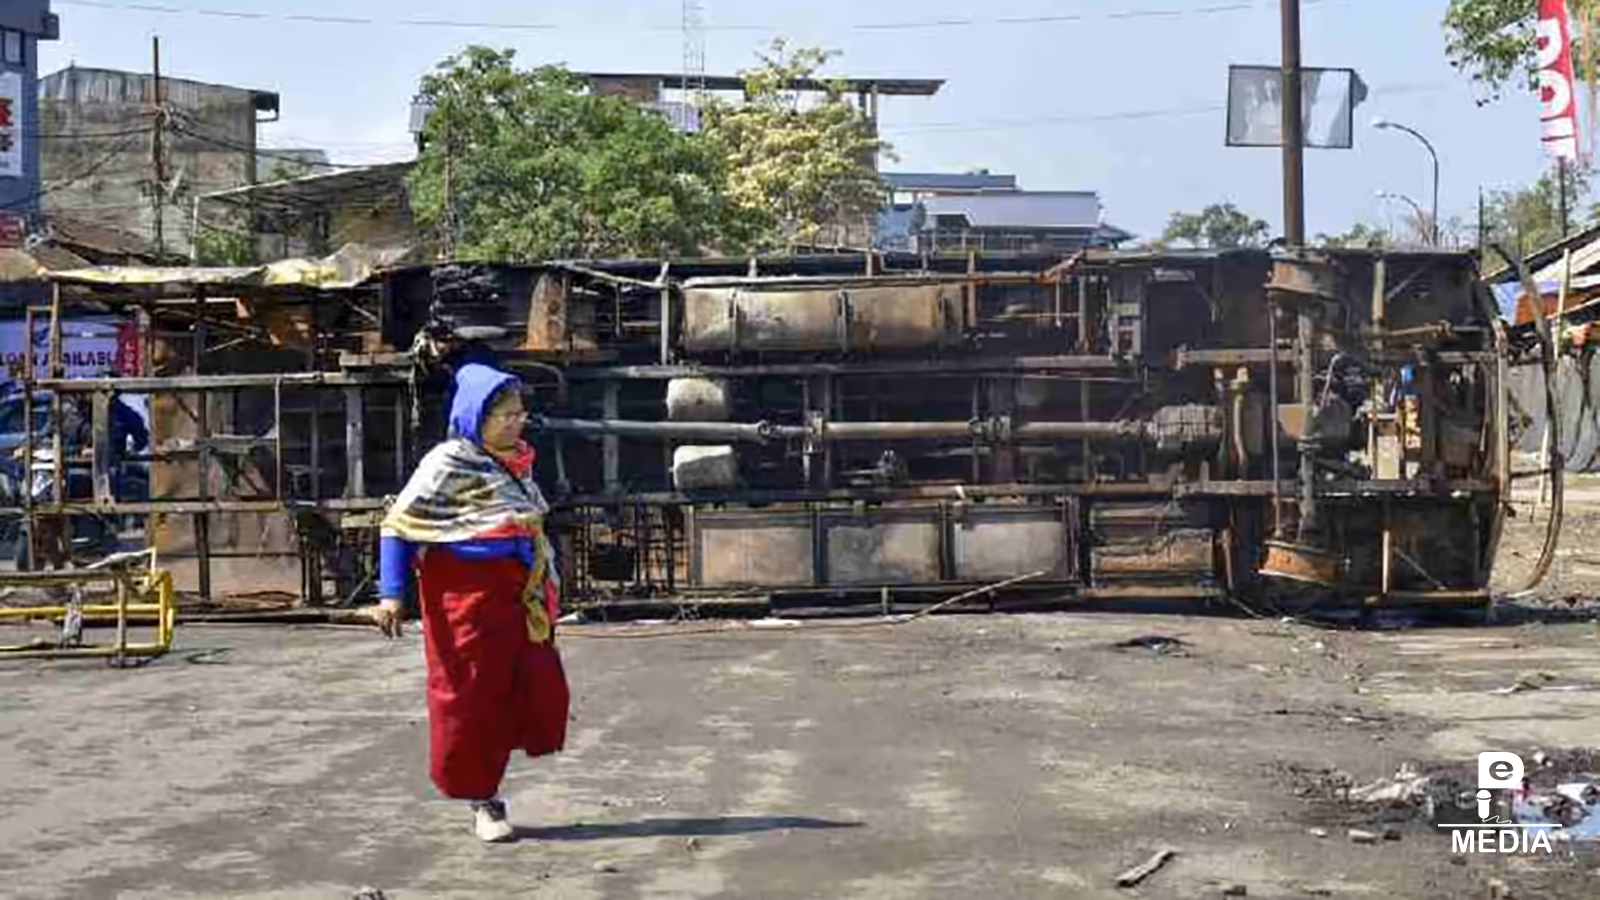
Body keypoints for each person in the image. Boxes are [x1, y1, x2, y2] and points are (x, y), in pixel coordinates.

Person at [372, 363, 569, 843]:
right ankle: (483, 798)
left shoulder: (518, 462)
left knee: (532, 686)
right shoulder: (447, 463)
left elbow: (525, 522)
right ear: (475, 416)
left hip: (519, 595)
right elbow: (399, 526)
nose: (516, 422)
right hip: (464, 598)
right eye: (505, 415)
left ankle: (493, 773)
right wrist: (391, 595)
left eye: (519, 413)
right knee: (471, 698)